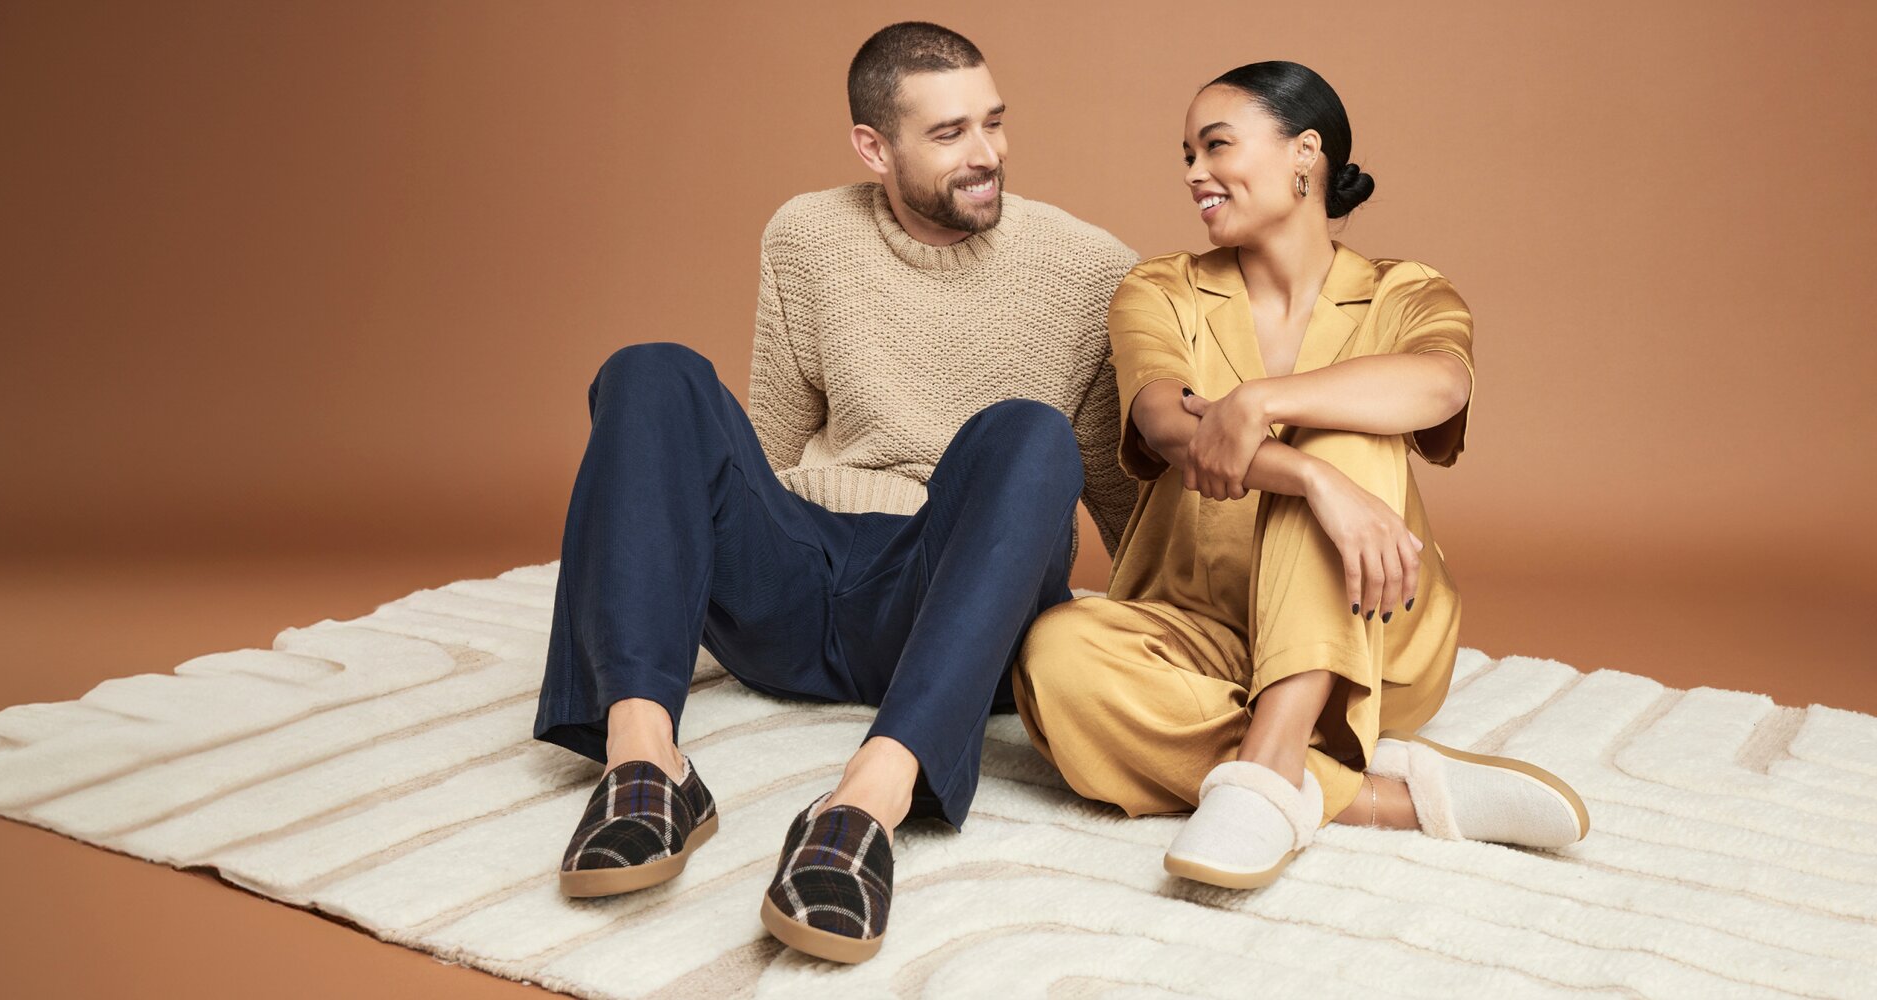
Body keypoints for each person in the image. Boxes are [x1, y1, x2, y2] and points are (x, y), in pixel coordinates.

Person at [532, 22, 1140, 962]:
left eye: (994, 123)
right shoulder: (808, 233)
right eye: (948, 135)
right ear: (873, 146)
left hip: (947, 588)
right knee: (649, 370)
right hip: (800, 575)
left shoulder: (1090, 267)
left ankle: (863, 805)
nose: (987, 155)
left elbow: (1116, 499)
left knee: (1029, 430)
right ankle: (647, 763)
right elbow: (762, 450)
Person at [1012, 60, 1589, 891]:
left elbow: (1440, 386)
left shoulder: (1404, 291)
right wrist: (1314, 483)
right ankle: (1388, 795)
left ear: (1304, 154)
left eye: (1215, 147)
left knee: (1347, 439)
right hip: (1197, 633)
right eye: (1186, 155)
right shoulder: (1159, 287)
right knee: (1054, 656)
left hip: (1369, 638)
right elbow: (1166, 423)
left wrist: (1263, 403)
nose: (1192, 175)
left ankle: (1274, 756)